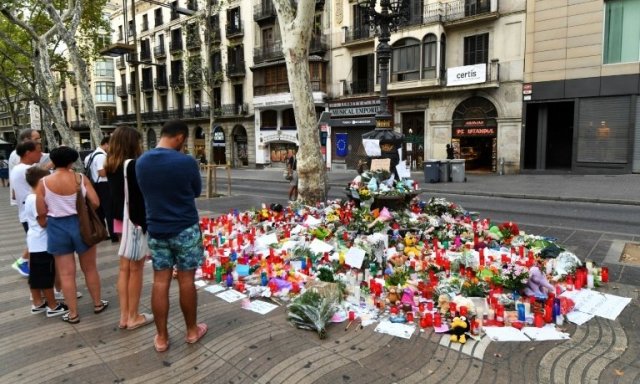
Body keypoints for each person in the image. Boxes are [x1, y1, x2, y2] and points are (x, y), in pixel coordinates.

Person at [136, 120, 207, 353]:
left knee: (160, 282)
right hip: (185, 228)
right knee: (186, 280)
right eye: (184, 141)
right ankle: (191, 331)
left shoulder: (142, 161)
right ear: (179, 137)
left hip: (156, 229)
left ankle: (162, 337)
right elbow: (196, 191)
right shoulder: (186, 161)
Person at [36, 146, 108, 324]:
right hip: (81, 226)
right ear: (71, 161)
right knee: (90, 268)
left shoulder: (43, 183)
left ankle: (73, 313)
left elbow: (41, 211)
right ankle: (98, 304)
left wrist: (46, 223)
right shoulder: (80, 178)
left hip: (57, 228)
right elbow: (96, 203)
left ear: (53, 161)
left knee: (66, 274)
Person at [105, 126, 154, 330]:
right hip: (134, 221)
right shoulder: (133, 165)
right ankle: (133, 316)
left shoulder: (111, 164)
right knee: (136, 269)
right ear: (132, 143)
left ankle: (124, 316)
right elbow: (138, 198)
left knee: (124, 269)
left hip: (120, 220)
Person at [24, 166, 69, 317]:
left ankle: (37, 302)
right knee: (46, 276)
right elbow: (43, 222)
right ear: (41, 181)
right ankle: (52, 306)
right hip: (42, 242)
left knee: (36, 274)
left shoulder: (29, 196)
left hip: (33, 240)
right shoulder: (37, 198)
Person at [8, 129, 51, 276]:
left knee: (34, 245)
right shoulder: (27, 170)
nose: (41, 154)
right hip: (33, 214)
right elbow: (46, 178)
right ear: (27, 152)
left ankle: (30, 270)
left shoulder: (17, 168)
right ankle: (38, 282)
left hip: (26, 213)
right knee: (38, 248)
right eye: (38, 151)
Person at [85, 137, 116, 242]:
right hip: (104, 185)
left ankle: (103, 233)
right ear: (106, 144)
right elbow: (102, 173)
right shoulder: (101, 156)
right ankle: (113, 234)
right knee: (109, 211)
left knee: (100, 211)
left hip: (96, 185)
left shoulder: (90, 155)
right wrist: (114, 170)